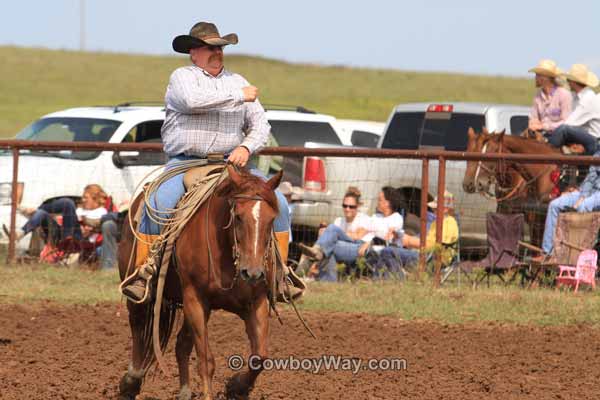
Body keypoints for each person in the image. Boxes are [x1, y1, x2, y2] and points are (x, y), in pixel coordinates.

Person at [121, 22, 292, 302]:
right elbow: (191, 102)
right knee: (157, 205)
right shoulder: (183, 78)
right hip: (184, 164)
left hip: (231, 166)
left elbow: (261, 125)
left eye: (220, 47)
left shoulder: (238, 80)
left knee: (280, 205)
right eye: (209, 47)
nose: (217, 52)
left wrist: (247, 148)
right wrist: (239, 96)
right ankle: (145, 273)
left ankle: (282, 274)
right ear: (193, 53)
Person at [299, 186, 405, 281]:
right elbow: (360, 232)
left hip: (370, 251)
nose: (377, 202)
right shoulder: (376, 217)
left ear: (388, 203)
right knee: (331, 236)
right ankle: (325, 273)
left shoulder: (396, 218)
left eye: (380, 200)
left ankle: (313, 261)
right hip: (358, 245)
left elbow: (390, 238)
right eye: (344, 206)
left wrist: (370, 242)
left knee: (330, 242)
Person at [534, 139, 600, 259]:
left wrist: (582, 198)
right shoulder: (598, 151)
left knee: (583, 206)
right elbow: (591, 177)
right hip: (589, 191)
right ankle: (547, 252)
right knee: (555, 204)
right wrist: (581, 193)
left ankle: (576, 256)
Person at [386, 190, 459, 269]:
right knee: (387, 251)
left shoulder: (449, 223)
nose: (434, 211)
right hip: (425, 254)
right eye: (434, 208)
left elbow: (437, 247)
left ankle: (393, 277)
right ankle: (389, 278)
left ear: (446, 209)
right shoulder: (436, 222)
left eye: (436, 208)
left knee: (388, 252)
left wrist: (409, 241)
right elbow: (425, 240)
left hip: (435, 259)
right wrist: (402, 236)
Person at [547, 64, 600, 150]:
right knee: (561, 130)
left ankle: (547, 151)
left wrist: (547, 127)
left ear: (573, 82)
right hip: (585, 137)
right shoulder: (576, 96)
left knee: (564, 129)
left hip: (594, 141)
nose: (567, 82)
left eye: (568, 80)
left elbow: (569, 123)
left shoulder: (588, 98)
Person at [527, 59, 572, 134]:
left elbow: (566, 122)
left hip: (560, 136)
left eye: (537, 75)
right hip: (542, 135)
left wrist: (544, 127)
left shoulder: (564, 94)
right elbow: (533, 117)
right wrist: (533, 123)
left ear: (545, 78)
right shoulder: (538, 96)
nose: (535, 78)